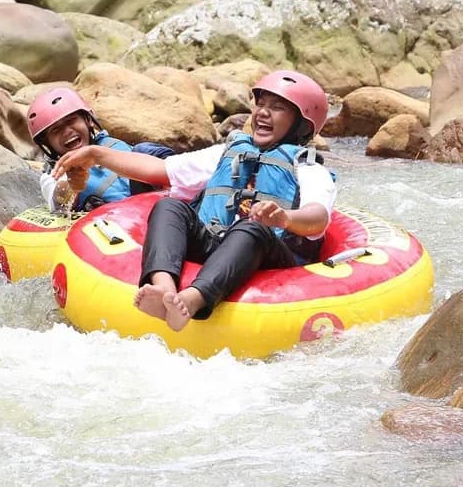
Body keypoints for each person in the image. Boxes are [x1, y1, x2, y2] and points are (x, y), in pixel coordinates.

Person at [56, 70, 336, 332]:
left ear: (300, 123)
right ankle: (164, 289)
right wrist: (97, 155)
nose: (262, 112)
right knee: (169, 206)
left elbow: (318, 217)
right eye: (260, 103)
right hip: (217, 242)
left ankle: (190, 301)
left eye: (277, 107)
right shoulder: (225, 153)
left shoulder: (308, 168)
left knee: (252, 229)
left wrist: (283, 218)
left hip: (268, 255)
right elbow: (158, 170)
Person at [27, 87, 172, 213]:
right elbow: (60, 206)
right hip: (116, 226)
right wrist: (72, 184)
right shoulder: (53, 176)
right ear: (47, 143)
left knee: (144, 150)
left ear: (88, 120)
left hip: (156, 205)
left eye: (71, 121)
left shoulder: (111, 145)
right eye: (56, 130)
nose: (67, 132)